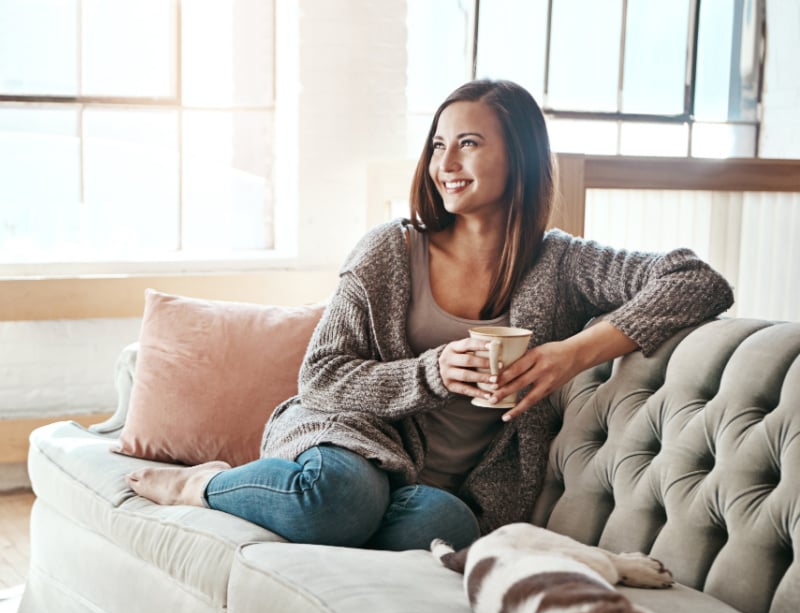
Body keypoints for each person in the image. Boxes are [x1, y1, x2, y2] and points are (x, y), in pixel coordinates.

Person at [126, 79, 734, 551]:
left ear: (518, 154)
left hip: (431, 489)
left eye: (469, 143)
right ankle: (198, 485)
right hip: (351, 440)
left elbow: (695, 281)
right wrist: (433, 370)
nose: (447, 162)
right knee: (338, 497)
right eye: (439, 144)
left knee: (445, 529)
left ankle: (311, 517)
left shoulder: (562, 263)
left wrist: (566, 355)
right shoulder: (391, 249)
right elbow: (321, 377)